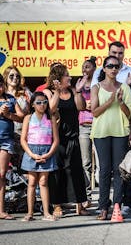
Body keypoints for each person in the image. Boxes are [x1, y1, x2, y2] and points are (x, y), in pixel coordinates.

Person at [90, 56, 131, 221]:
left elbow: (128, 114)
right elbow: (94, 112)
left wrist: (121, 102)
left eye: (116, 66)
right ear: (104, 68)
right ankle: (103, 207)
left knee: (118, 171)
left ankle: (117, 205)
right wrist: (109, 101)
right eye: (110, 66)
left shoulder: (124, 88)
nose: (113, 69)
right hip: (101, 132)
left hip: (120, 132)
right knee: (105, 170)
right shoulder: (96, 87)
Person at [43, 63, 89, 218]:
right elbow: (51, 109)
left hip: (73, 137)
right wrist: (57, 91)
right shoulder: (48, 92)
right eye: (66, 75)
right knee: (57, 172)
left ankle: (80, 204)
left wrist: (78, 91)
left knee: (76, 171)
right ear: (58, 78)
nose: (69, 77)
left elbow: (81, 107)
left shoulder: (72, 91)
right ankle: (56, 205)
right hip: (56, 139)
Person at [20, 92, 59, 221]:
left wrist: (48, 154)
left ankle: (46, 212)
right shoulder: (28, 118)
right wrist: (32, 154)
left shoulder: (51, 118)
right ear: (33, 104)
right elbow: (23, 139)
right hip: (32, 150)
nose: (42, 105)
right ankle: (30, 213)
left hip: (46, 151)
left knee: (43, 182)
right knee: (31, 182)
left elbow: (56, 140)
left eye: (45, 102)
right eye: (39, 102)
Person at [0, 75, 24, 220]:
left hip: (5, 140)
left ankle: (1, 210)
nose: (0, 88)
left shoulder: (10, 98)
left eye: (1, 85)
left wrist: (8, 115)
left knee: (2, 174)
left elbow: (21, 116)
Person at [3, 65, 32, 167]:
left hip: (23, 134)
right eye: (11, 76)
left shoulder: (25, 93)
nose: (15, 78)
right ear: (5, 78)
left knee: (22, 167)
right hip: (6, 134)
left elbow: (31, 112)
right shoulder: (3, 94)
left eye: (17, 76)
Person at [78, 56, 97, 208]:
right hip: (83, 125)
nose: (85, 70)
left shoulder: (99, 83)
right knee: (86, 162)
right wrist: (84, 104)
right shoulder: (78, 84)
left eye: (88, 67)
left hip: (98, 124)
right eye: (83, 67)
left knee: (101, 163)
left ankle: (103, 197)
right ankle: (87, 196)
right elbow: (76, 103)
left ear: (94, 69)